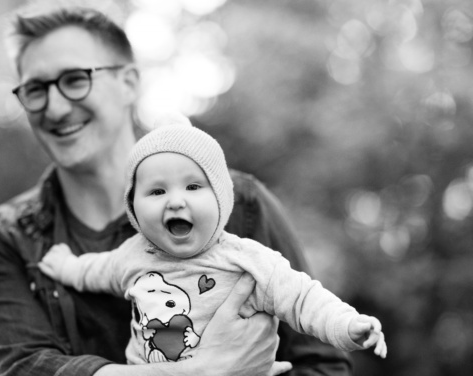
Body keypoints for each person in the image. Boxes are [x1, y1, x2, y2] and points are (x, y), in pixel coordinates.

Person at [0, 1, 356, 376]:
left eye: (75, 80)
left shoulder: (241, 205)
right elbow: (28, 368)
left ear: (129, 82)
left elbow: (322, 364)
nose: (56, 107)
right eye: (35, 89)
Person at [38, 119, 388, 366]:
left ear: (221, 198)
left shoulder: (245, 260)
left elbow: (302, 298)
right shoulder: (132, 256)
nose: (176, 201)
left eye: (193, 187)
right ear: (133, 207)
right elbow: (93, 270)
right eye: (157, 191)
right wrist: (64, 265)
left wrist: (347, 325)